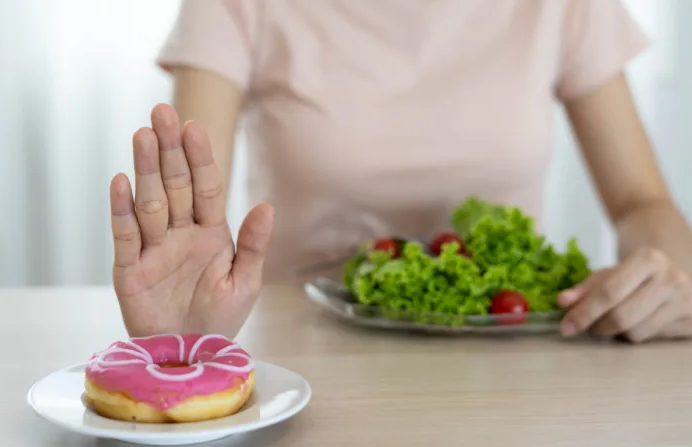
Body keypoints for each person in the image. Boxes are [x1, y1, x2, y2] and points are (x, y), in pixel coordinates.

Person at [108, 0, 692, 343]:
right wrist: (184, 338)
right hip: (310, 362)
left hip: (513, 363)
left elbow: (643, 203)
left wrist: (672, 277)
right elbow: (185, 219)